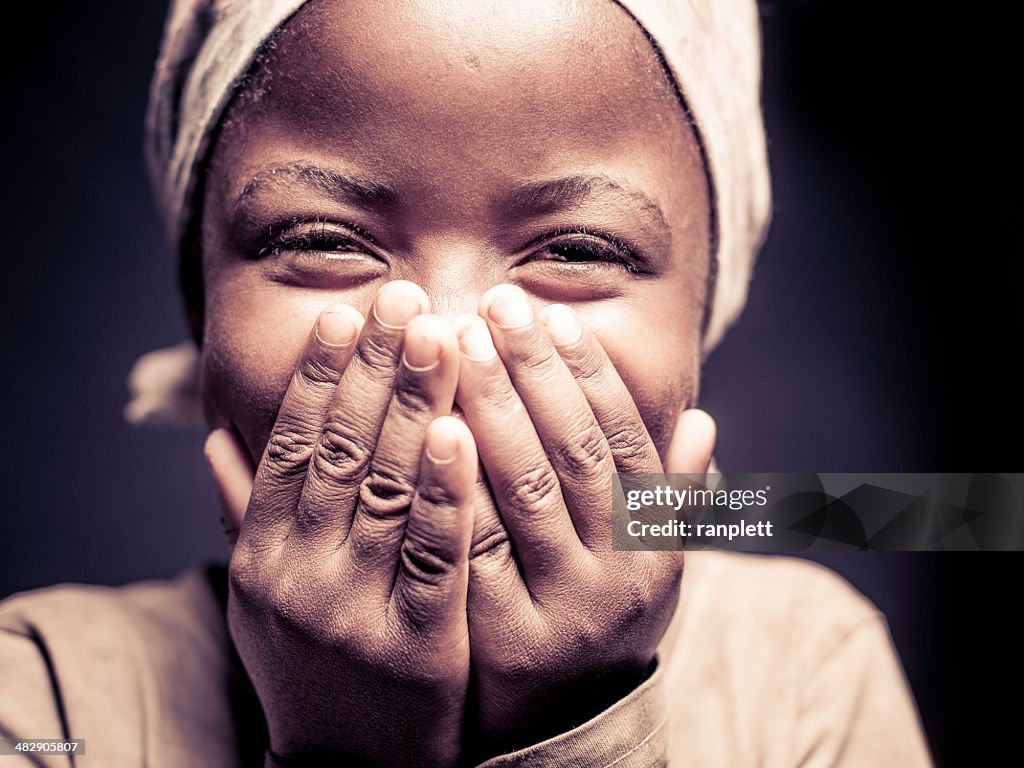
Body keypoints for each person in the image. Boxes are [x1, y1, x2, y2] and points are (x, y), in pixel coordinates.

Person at [0, 0, 932, 765]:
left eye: (575, 250)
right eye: (321, 240)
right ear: (202, 311)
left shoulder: (808, 674)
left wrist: (572, 723)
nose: (444, 346)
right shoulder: (42, 697)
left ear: (700, 325)